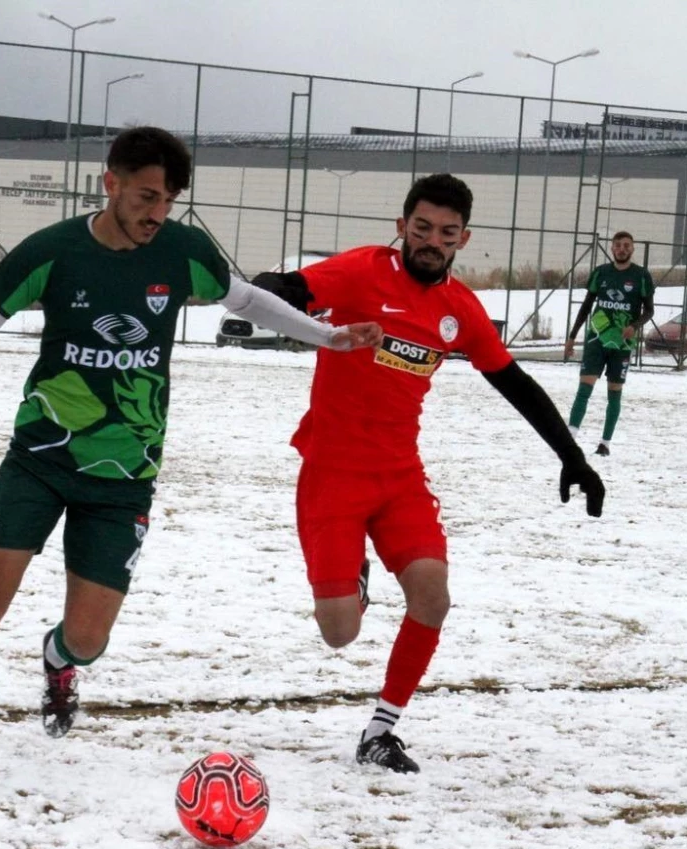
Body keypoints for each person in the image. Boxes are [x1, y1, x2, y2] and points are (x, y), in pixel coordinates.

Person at [0, 126, 383, 781]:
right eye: (146, 196)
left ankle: (59, 663)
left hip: (126, 476)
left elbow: (245, 297)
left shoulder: (180, 252)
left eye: (168, 200)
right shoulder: (53, 252)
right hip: (41, 458)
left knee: (88, 639)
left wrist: (326, 336)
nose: (157, 213)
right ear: (109, 183)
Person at [252, 173, 605, 774]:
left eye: (445, 233)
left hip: (399, 479)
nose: (431, 241)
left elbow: (514, 384)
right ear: (402, 226)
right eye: (421, 228)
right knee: (339, 633)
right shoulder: (361, 271)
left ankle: (380, 731)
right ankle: (354, 582)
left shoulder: (460, 309)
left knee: (432, 598)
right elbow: (281, 290)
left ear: (463, 239)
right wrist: (283, 296)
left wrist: (572, 456)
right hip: (333, 474)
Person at [563, 231, 654, 457]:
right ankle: (569, 438)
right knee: (584, 388)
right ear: (612, 248)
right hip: (596, 339)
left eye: (626, 245)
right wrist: (572, 336)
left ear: (632, 249)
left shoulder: (641, 276)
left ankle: (605, 443)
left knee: (614, 391)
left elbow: (649, 310)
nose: (622, 249)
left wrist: (634, 325)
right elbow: (586, 305)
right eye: (618, 245)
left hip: (622, 344)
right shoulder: (601, 273)